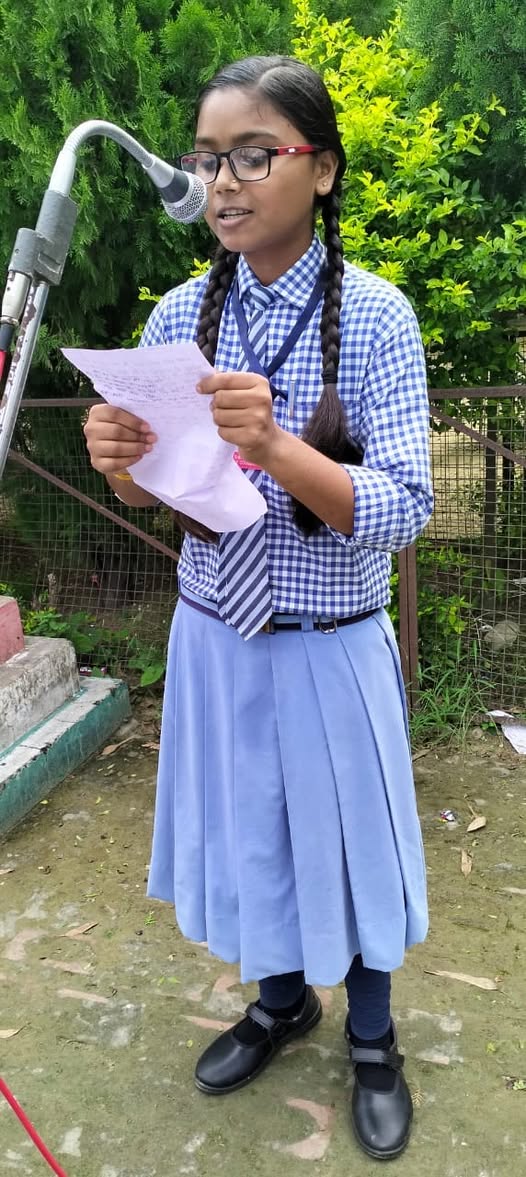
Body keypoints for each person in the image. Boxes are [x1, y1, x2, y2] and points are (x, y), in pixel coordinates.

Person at [84, 54, 433, 1161]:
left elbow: (404, 508)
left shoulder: (374, 318)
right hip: (214, 637)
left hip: (328, 646)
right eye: (205, 160)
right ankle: (282, 1002)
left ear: (319, 168)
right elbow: (156, 489)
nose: (221, 183)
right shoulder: (180, 313)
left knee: (349, 847)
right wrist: (118, 464)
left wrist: (277, 443)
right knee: (249, 837)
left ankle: (372, 1039)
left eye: (250, 155)